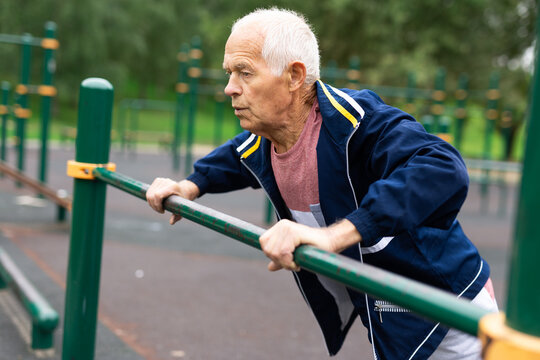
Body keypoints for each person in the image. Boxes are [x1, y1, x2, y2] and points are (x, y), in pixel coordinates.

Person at [146, 7, 498, 360]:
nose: (229, 88)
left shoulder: (356, 122)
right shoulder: (268, 138)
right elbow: (236, 156)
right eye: (229, 73)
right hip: (386, 310)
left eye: (245, 73)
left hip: (448, 308)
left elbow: (442, 167)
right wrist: (190, 185)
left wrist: (332, 235)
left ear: (295, 76)